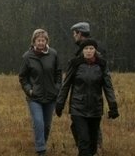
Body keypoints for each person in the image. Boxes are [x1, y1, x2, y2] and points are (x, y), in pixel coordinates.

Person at [55, 39, 119, 156]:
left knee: (92, 145)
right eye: (86, 49)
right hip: (78, 108)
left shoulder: (102, 64)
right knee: (84, 142)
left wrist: (113, 106)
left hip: (95, 108)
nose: (88, 51)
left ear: (95, 50)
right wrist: (60, 103)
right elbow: (66, 84)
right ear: (82, 50)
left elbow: (108, 87)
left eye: (91, 48)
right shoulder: (75, 63)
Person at [18, 28, 62, 156]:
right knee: (39, 122)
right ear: (34, 41)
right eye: (38, 40)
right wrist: (29, 90)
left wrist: (57, 88)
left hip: (50, 96)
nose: (41, 43)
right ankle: (41, 150)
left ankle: (42, 142)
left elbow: (58, 73)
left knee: (47, 126)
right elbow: (22, 77)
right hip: (34, 97)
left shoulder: (53, 54)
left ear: (46, 41)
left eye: (43, 40)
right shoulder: (27, 56)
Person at [70, 21, 106, 149]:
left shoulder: (90, 50)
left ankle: (93, 147)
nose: (74, 36)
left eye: (74, 34)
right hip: (82, 96)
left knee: (91, 124)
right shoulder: (87, 48)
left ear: (79, 34)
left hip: (90, 95)